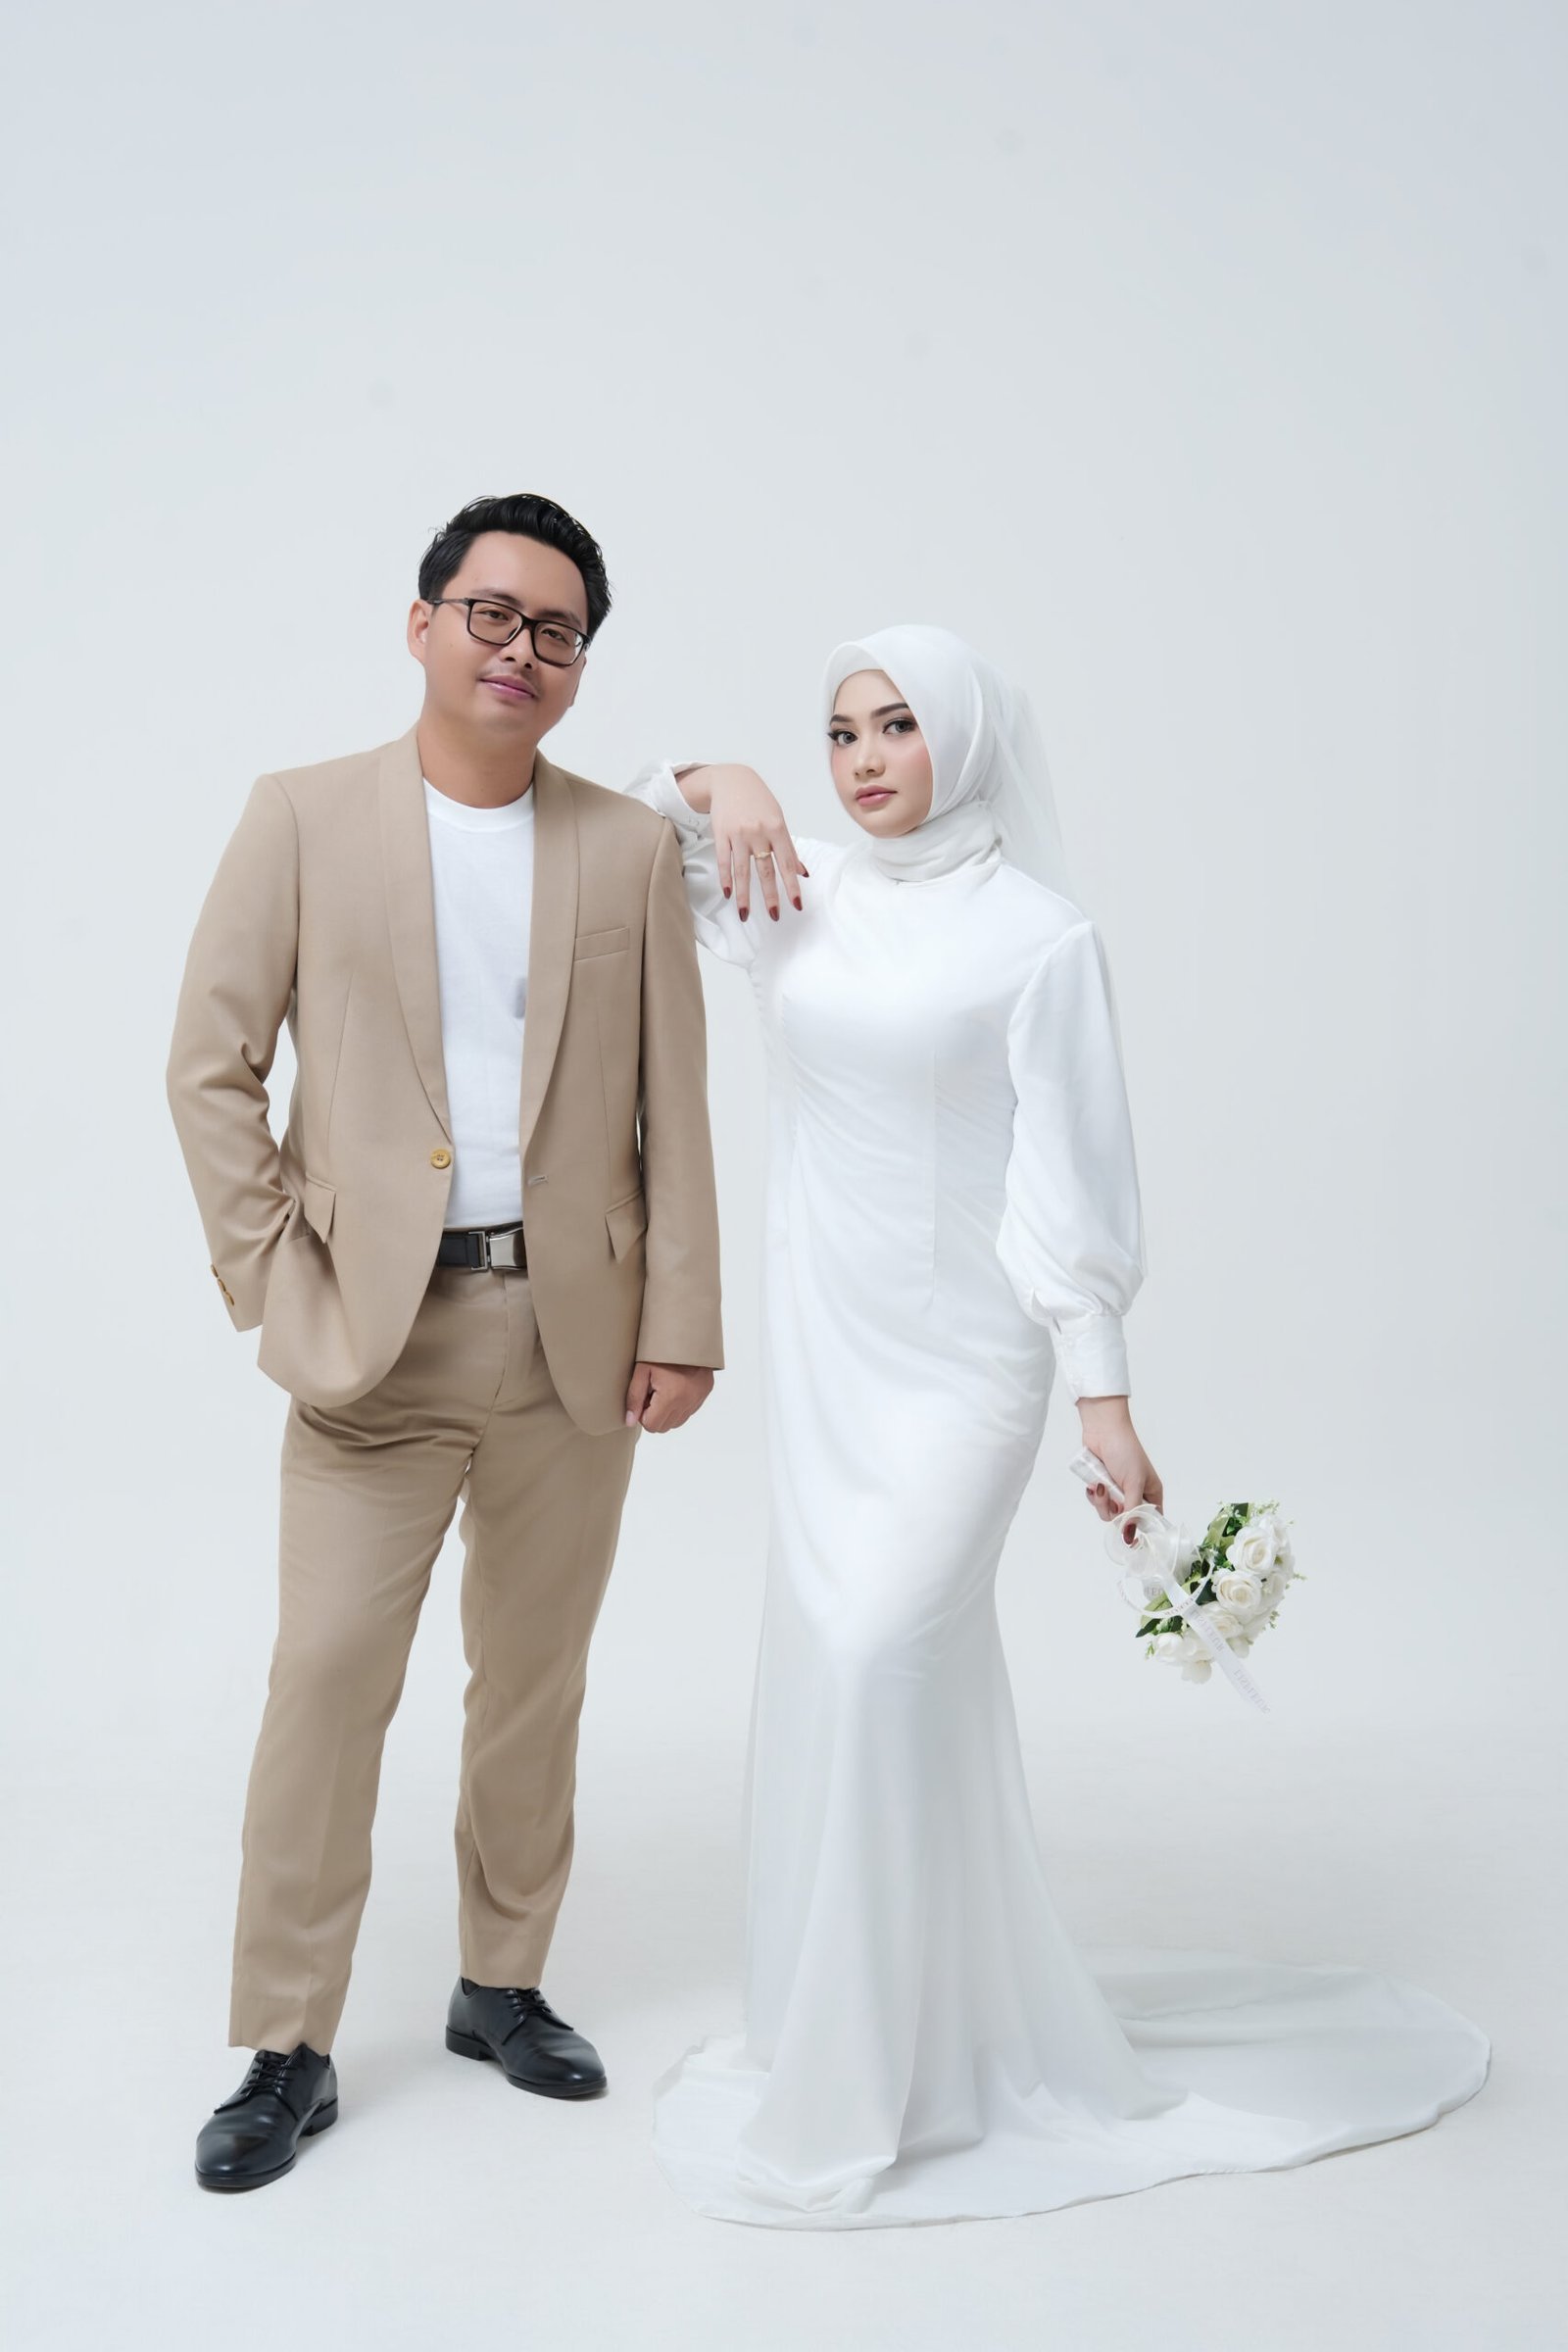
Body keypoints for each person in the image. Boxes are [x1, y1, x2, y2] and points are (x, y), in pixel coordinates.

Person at [623, 623, 1488, 2227]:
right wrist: (718, 772)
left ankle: (879, 2075)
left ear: (964, 738)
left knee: (881, 1653)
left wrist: (1105, 1396)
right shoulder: (789, 882)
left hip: (963, 1362)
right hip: (828, 1355)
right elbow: (620, 841)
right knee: (847, 1668)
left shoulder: (1037, 935)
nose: (864, 758)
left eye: (898, 725)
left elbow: (1069, 1174)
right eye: (838, 730)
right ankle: (888, 2031)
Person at [167, 493, 723, 2193]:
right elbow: (208, 1065)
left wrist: (684, 1320)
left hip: (578, 1341)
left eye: (557, 630)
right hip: (372, 1345)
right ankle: (287, 2041)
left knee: (533, 1682)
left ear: (579, 664)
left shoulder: (625, 848)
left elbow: (675, 1109)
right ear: (422, 624)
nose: (520, 649)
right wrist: (277, 1279)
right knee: (327, 1681)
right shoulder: (302, 815)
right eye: (492, 613)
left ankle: (501, 1982)